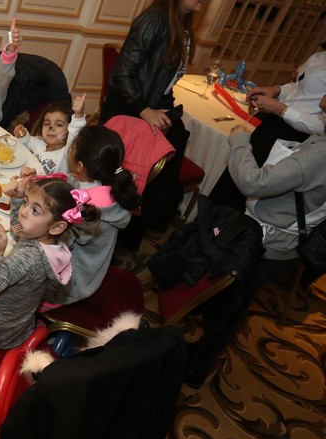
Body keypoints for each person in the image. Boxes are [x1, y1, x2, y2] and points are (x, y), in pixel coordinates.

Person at [184, 100, 326, 387]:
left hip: (271, 243)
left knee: (232, 307)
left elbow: (253, 182)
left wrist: (240, 141)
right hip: (283, 238)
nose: (323, 96)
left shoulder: (321, 153)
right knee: (229, 300)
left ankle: (196, 367)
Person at [0, 176, 101, 349]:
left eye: (35, 211)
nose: (23, 212)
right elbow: (19, 232)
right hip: (14, 329)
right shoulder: (51, 243)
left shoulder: (29, 257)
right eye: (26, 202)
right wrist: (17, 200)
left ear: (56, 227)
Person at [100, 0, 203, 246]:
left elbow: (164, 80)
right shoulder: (154, 19)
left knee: (177, 139)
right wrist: (146, 111)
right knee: (141, 175)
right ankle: (121, 238)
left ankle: (139, 230)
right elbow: (122, 74)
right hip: (129, 112)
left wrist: (164, 109)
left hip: (148, 107)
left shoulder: (180, 24)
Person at [209, 45, 326, 211]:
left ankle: (225, 224)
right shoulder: (320, 56)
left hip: (295, 137)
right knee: (236, 173)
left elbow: (321, 126)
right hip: (275, 122)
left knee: (252, 187)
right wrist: (276, 90)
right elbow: (299, 88)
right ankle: (207, 219)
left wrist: (280, 109)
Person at [41, 125, 139, 307]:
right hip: (87, 274)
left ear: (80, 166)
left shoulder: (88, 212)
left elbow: (52, 244)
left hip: (68, 285)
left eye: (73, 146)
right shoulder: (107, 185)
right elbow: (71, 180)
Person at [13, 95, 86, 175]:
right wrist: (22, 135)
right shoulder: (39, 142)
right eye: (47, 124)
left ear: (69, 129)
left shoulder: (66, 154)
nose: (51, 127)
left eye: (59, 124)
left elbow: (75, 135)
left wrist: (79, 116)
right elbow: (26, 142)